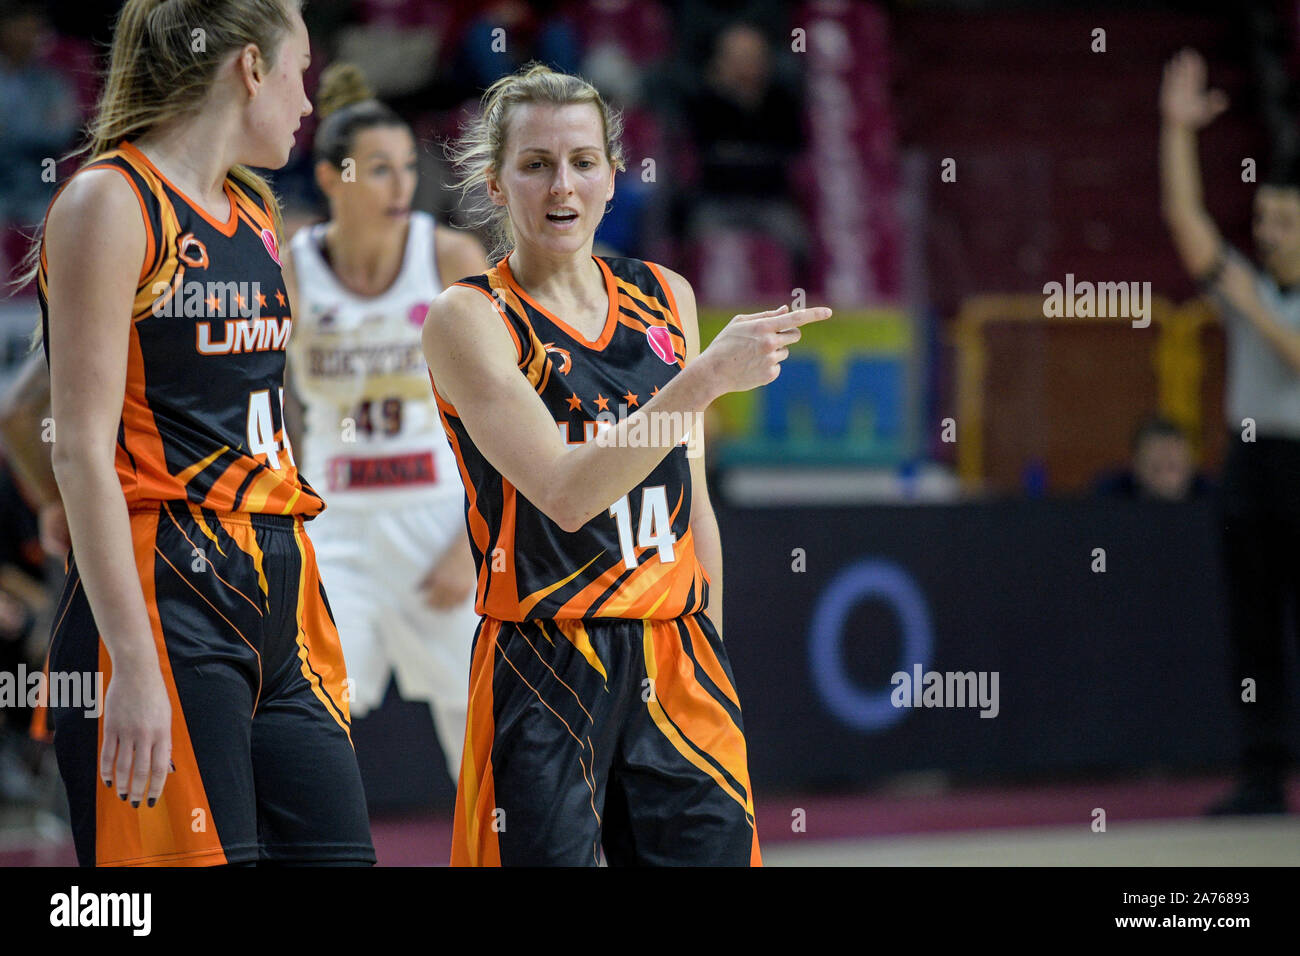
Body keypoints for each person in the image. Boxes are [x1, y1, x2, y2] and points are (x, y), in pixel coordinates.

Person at [424, 62, 831, 865]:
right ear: (497, 183)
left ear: (614, 176)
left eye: (582, 161)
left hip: (677, 653)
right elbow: (565, 495)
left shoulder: (666, 296)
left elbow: (694, 503)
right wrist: (707, 377)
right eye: (535, 164)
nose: (561, 185)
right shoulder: (469, 317)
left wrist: (708, 649)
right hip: (544, 660)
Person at [24, 0, 375, 865]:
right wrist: (134, 667)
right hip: (167, 598)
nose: (306, 103)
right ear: (250, 68)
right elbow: (75, 447)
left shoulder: (254, 211)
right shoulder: (111, 200)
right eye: (299, 74)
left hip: (279, 591)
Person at [282, 63, 488, 782]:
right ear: (332, 175)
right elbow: (267, 401)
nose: (401, 185)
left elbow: (507, 410)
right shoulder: (290, 263)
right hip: (334, 523)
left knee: (485, 735)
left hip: (441, 520)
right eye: (378, 170)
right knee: (306, 719)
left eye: (406, 167)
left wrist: (475, 540)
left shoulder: (450, 257)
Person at [1161, 48, 1300, 815]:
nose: (1269, 230)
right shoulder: (1248, 280)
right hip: (1252, 464)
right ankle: (1262, 775)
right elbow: (1187, 222)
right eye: (1265, 217)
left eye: (1284, 219)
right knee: (1254, 632)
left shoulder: (1255, 296)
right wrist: (1176, 130)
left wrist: (1251, 304)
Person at [1092, 416, 1212, 501]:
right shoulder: (1110, 496)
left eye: (1173, 466)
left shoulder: (1215, 498)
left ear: (1191, 463)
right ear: (1136, 464)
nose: (1166, 455)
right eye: (1157, 467)